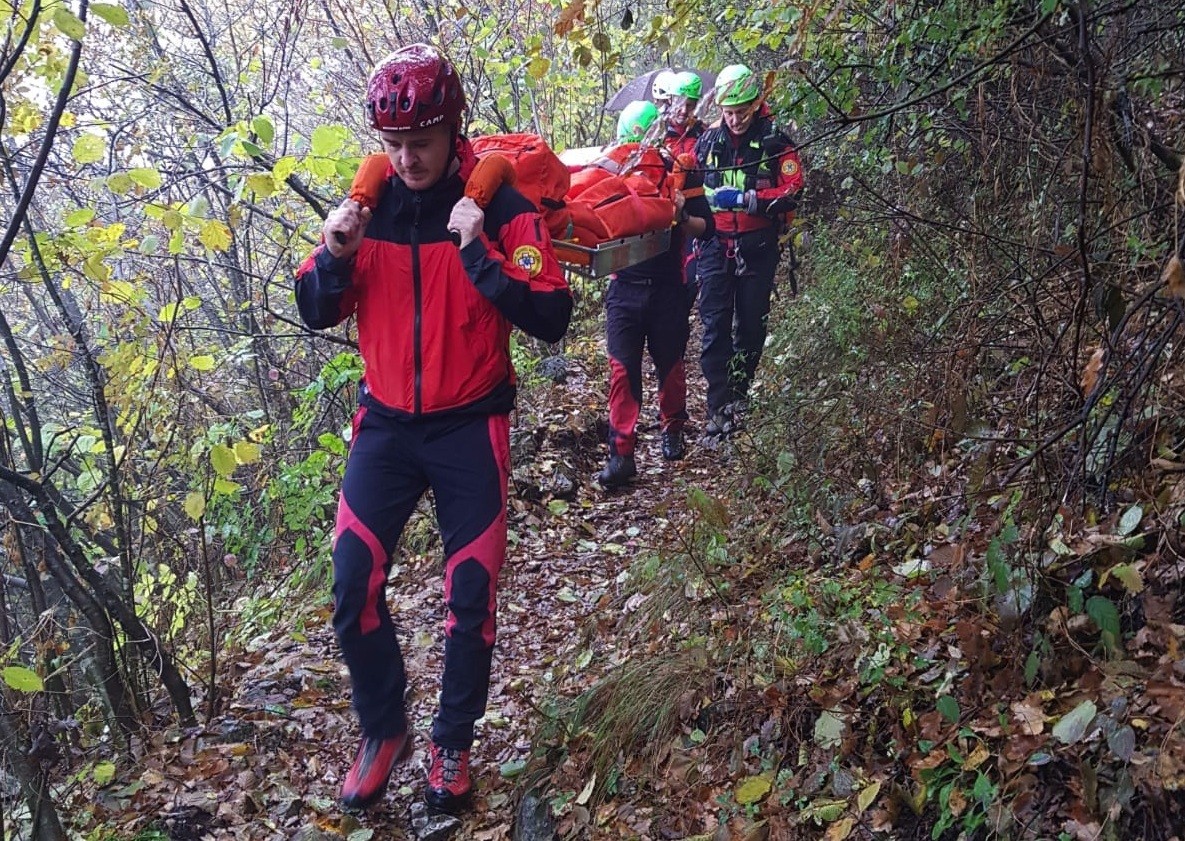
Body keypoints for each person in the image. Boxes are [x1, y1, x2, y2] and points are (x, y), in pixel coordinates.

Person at [294, 44, 572, 814]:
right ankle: (385, 730)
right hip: (384, 422)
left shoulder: (503, 209)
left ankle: (451, 742)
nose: (406, 158)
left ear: (454, 131)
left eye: (420, 142)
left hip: (468, 423)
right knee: (351, 585)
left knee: (470, 593)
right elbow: (315, 310)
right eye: (392, 145)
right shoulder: (367, 207)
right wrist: (334, 255)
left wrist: (477, 250)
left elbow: (551, 314)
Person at [596, 100, 714, 488]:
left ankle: (673, 428)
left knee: (671, 365)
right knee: (621, 371)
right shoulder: (608, 173)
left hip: (667, 288)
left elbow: (705, 228)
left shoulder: (677, 172)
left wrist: (680, 213)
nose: (632, 153)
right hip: (623, 288)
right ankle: (621, 453)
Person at [693, 63, 804, 439]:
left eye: (742, 111)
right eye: (729, 112)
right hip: (713, 245)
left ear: (756, 104)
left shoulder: (776, 141)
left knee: (751, 326)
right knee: (714, 326)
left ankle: (739, 396)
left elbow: (794, 190)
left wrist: (747, 198)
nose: (736, 119)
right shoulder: (708, 142)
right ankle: (718, 407)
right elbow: (688, 187)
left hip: (757, 246)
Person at [659, 71, 708, 306]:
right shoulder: (657, 133)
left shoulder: (704, 134)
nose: (683, 110)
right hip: (662, 214)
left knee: (689, 280)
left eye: (689, 105)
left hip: (693, 212)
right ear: (670, 100)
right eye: (679, 103)